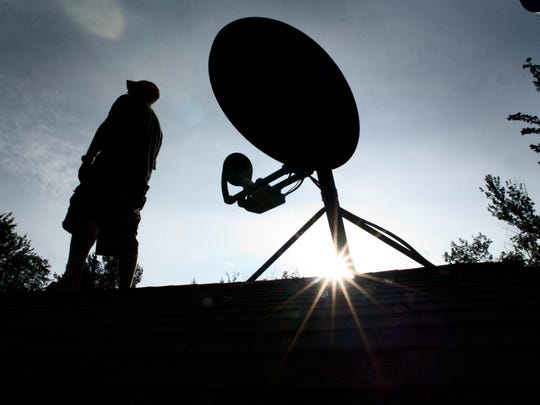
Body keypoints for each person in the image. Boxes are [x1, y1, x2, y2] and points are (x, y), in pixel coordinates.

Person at [53, 80, 162, 290]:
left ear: (139, 92)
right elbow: (151, 164)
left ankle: (71, 280)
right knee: (127, 233)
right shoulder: (158, 129)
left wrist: (88, 159)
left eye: (133, 88)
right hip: (137, 186)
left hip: (109, 171)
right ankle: (125, 290)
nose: (128, 90)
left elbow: (106, 129)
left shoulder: (127, 102)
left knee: (88, 215)